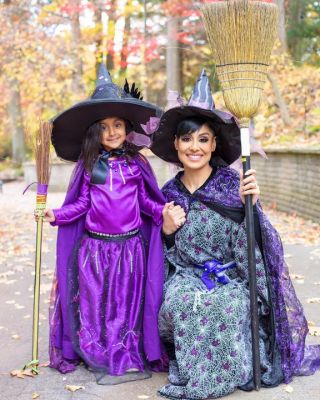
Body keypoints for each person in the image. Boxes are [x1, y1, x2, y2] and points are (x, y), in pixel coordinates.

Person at [151, 70, 320, 399]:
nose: (195, 147)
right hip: (186, 276)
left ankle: (217, 376)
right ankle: (198, 372)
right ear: (176, 144)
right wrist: (166, 232)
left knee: (224, 306)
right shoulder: (167, 193)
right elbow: (157, 255)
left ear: (214, 144)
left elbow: (261, 244)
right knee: (185, 305)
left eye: (203, 139)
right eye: (187, 139)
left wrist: (252, 209)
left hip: (232, 277)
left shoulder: (234, 185)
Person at [44, 64, 175, 384]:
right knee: (95, 302)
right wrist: (56, 215)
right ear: (94, 132)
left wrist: (162, 213)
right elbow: (81, 204)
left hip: (129, 250)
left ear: (127, 128)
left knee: (125, 303)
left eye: (118, 124)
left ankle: (126, 354)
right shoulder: (88, 166)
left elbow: (145, 203)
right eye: (104, 127)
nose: (113, 131)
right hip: (93, 250)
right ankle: (99, 352)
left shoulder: (136, 163)